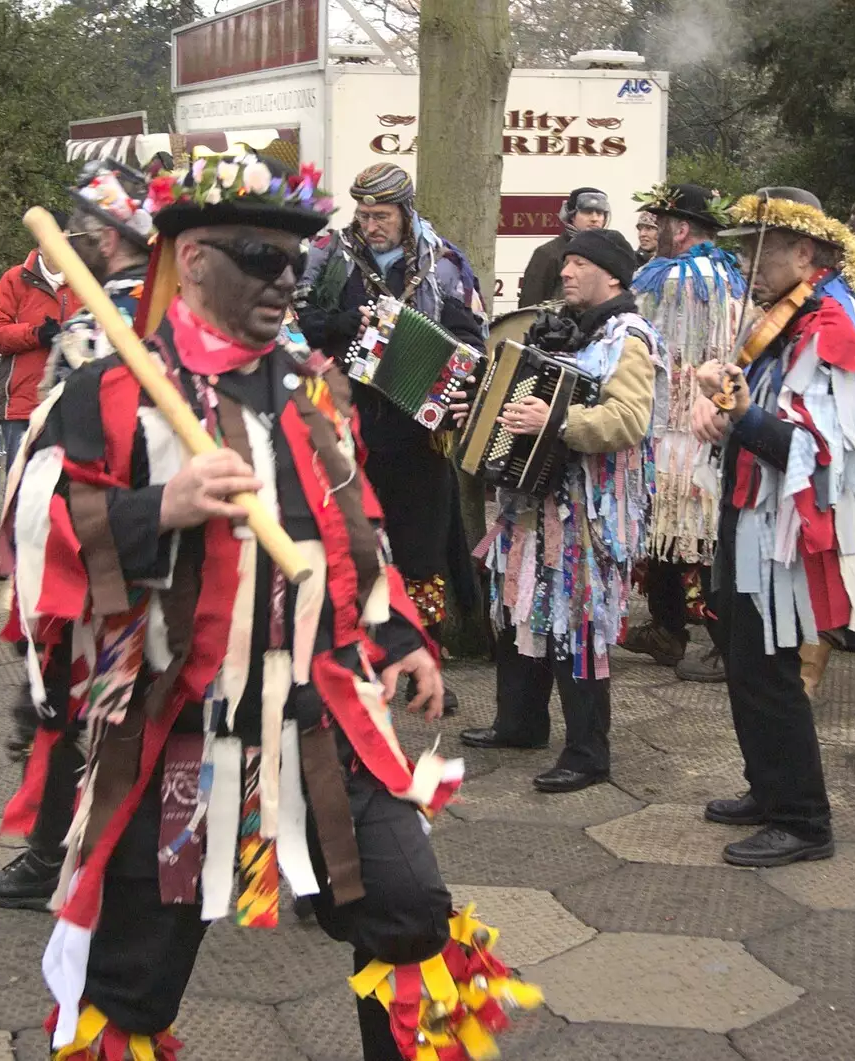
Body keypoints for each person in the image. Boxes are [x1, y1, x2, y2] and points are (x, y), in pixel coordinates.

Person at [3, 150, 538, 1061]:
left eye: (298, 258)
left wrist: (399, 630)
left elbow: (353, 521)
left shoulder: (310, 387)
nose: (288, 277)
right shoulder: (109, 390)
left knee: (408, 917)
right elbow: (32, 533)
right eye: (261, 256)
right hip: (181, 733)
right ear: (193, 257)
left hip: (323, 719)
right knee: (132, 977)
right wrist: (157, 509)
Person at [694, 187, 855, 867]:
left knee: (769, 668)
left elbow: (815, 449)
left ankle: (803, 818)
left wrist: (737, 417)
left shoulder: (833, 326)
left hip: (789, 528)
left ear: (805, 251)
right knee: (742, 653)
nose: (749, 265)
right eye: (745, 250)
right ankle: (769, 788)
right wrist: (723, 412)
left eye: (762, 250)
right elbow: (761, 411)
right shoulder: (786, 318)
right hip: (754, 513)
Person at [0, 162, 152, 912]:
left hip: (100, 543)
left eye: (85, 230)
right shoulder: (194, 310)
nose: (76, 241)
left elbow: (60, 445)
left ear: (108, 237)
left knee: (60, 697)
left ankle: (53, 857)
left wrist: (36, 549)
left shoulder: (99, 321)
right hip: (172, 537)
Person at [461, 228, 665, 793]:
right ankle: (520, 723)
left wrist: (555, 423)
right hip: (534, 503)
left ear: (613, 276)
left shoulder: (630, 339)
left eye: (578, 264)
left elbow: (628, 421)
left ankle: (587, 752)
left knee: (577, 622)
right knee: (520, 607)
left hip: (586, 513)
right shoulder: (563, 329)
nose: (566, 271)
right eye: (566, 262)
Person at [296, 162, 486, 715]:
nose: (370, 225)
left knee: (421, 554)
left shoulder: (444, 265)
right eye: (363, 214)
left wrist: (458, 381)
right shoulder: (328, 257)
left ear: (406, 214)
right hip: (342, 428)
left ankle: (424, 664)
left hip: (415, 436)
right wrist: (344, 324)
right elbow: (298, 323)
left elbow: (471, 337)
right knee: (350, 548)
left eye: (382, 216)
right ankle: (353, 662)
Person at [623, 183, 744, 680]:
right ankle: (668, 629)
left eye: (662, 223)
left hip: (673, 422)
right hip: (711, 415)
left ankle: (725, 644)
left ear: (683, 227)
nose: (657, 232)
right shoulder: (733, 275)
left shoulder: (661, 278)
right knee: (676, 534)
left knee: (688, 536)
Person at [44, 161, 152, 394]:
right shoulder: (189, 308)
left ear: (107, 240)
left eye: (74, 236)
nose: (67, 244)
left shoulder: (87, 335)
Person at [0, 224, 74, 462]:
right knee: (20, 488)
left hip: (72, 403)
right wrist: (35, 334)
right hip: (22, 403)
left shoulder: (86, 282)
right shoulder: (14, 279)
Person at [519, 187, 611, 306]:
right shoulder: (548, 253)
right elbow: (527, 309)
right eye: (587, 212)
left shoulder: (609, 254)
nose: (594, 218)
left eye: (600, 213)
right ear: (572, 216)